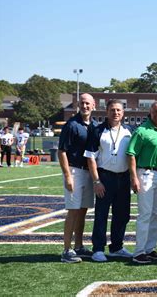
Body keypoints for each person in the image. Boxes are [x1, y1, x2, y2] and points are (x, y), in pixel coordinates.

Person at [84, 99, 133, 262]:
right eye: (112, 110)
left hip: (124, 178)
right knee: (101, 214)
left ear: (123, 113)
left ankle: (117, 247)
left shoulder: (129, 130)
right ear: (107, 111)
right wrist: (97, 181)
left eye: (119, 110)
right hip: (105, 177)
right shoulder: (98, 130)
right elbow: (90, 158)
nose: (116, 113)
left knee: (122, 214)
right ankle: (98, 248)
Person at [126, 100, 157, 264]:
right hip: (145, 173)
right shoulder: (141, 131)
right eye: (156, 112)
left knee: (156, 214)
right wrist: (133, 177)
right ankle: (139, 251)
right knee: (145, 214)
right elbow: (131, 154)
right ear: (151, 112)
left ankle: (150, 249)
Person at [58, 93, 98, 263]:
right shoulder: (72, 125)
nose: (85, 106)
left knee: (83, 211)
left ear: (94, 105)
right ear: (78, 105)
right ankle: (66, 250)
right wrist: (68, 176)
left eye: (88, 103)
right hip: (75, 171)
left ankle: (79, 246)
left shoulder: (94, 125)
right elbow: (61, 151)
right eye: (82, 103)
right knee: (73, 211)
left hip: (88, 172)